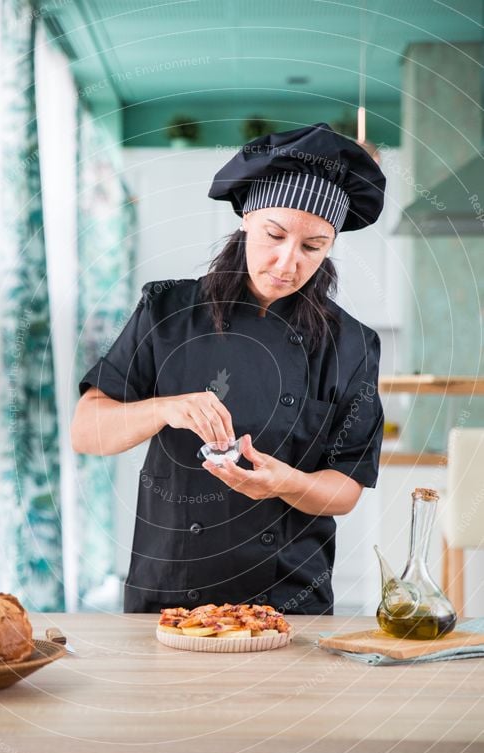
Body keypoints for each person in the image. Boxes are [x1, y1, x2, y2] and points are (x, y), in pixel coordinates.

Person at [71, 122, 386, 615]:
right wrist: (165, 408)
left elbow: (345, 487)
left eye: (313, 246)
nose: (287, 263)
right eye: (274, 234)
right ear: (246, 219)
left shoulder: (352, 344)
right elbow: (86, 432)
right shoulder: (167, 310)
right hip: (167, 589)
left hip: (287, 598)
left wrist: (284, 482)